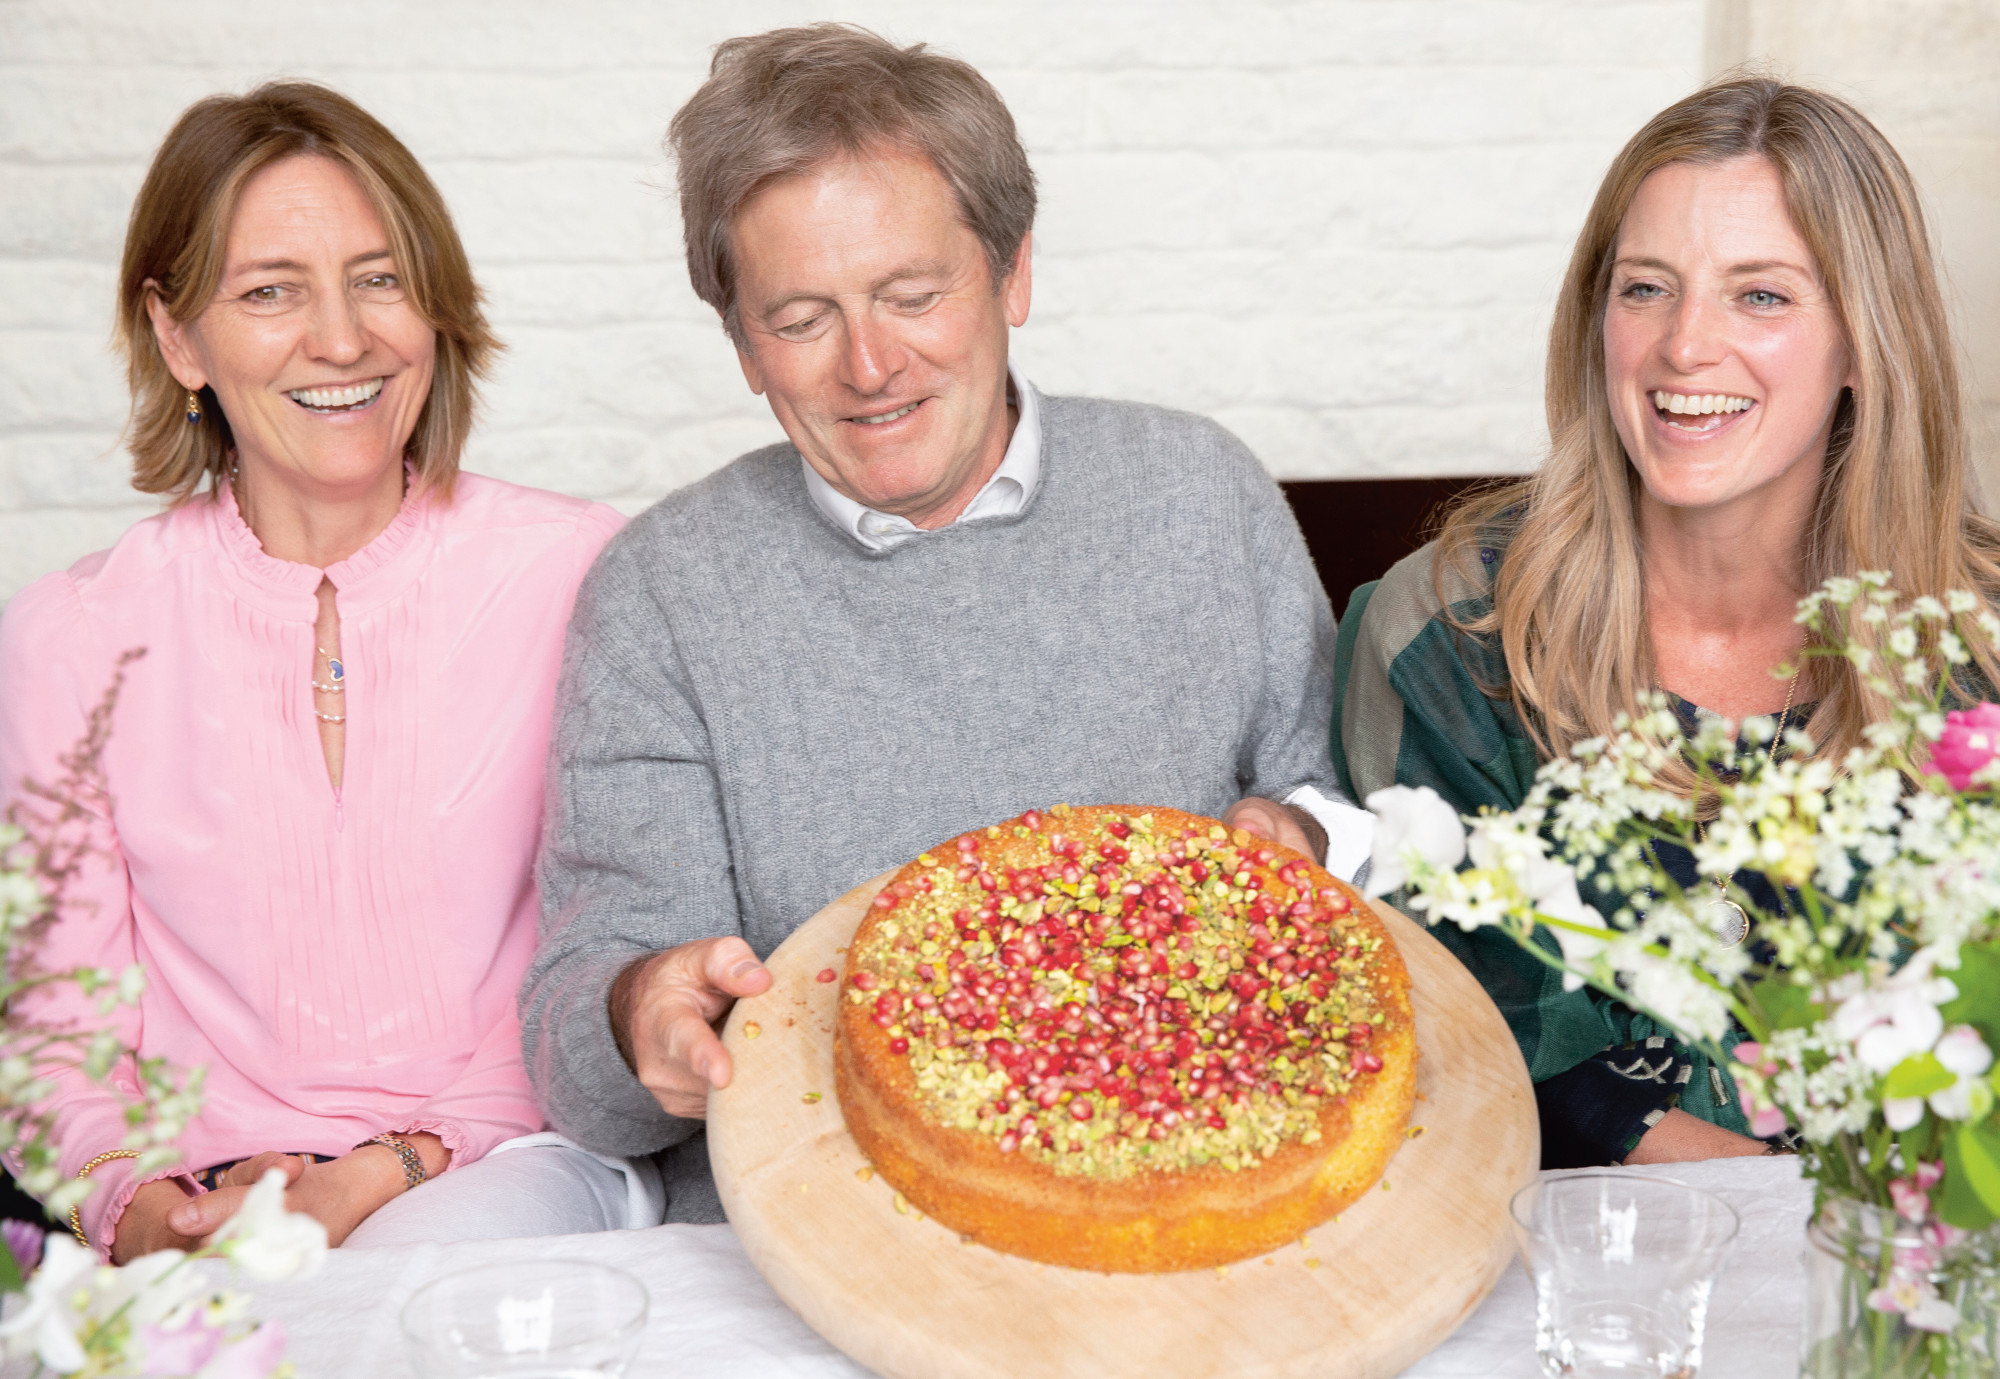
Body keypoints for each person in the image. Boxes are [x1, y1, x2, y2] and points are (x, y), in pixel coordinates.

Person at [521, 23, 1374, 1219]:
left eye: (911, 295)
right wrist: (638, 1008)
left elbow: (1356, 832)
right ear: (739, 345)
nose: (871, 365)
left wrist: (1301, 837)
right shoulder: (660, 592)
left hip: (1188, 1208)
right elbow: (579, 1041)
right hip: (815, 1237)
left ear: (1011, 272)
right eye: (802, 319)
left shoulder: (1201, 492)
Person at [0, 82, 634, 1261]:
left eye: (380, 277)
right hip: (200, 1188)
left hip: (508, 1164)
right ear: (177, 336)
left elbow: (609, 949)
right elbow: (52, 1039)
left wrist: (389, 1168)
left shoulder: (579, 572)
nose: (342, 339)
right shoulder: (70, 636)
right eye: (269, 291)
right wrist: (137, 1210)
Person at [1333, 78, 2000, 1169]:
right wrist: (1837, 1229)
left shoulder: (1972, 645)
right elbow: (1472, 1042)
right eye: (1645, 288)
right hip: (1580, 1286)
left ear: (1863, 340)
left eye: (1761, 296)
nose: (1685, 346)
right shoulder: (1450, 629)